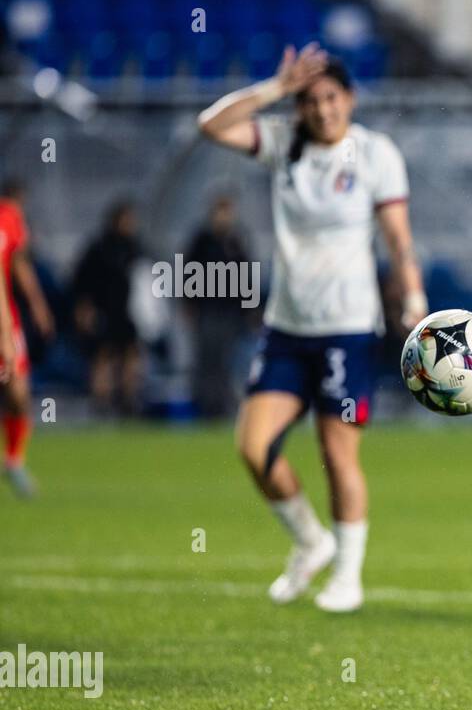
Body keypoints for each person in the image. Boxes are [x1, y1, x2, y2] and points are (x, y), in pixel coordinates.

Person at [196, 44, 427, 613]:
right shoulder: (282, 143)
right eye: (310, 100)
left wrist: (413, 297)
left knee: (338, 454)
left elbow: (398, 237)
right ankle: (310, 541)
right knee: (253, 448)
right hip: (287, 328)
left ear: (348, 98)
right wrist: (275, 88)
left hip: (348, 329)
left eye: (330, 97)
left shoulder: (375, 153)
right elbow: (211, 125)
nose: (323, 110)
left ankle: (348, 575)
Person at [0, 179, 56, 497]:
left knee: (18, 391)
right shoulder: (8, 217)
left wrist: (37, 306)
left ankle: (14, 460)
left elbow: (18, 266)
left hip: (8, 320)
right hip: (5, 323)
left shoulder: (11, 222)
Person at [71, 200, 144, 414]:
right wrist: (84, 310)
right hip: (104, 311)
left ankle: (128, 400)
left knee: (131, 354)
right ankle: (101, 402)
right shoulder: (99, 248)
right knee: (103, 356)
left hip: (128, 312)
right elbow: (82, 282)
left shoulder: (134, 247)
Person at [185, 195, 255, 418]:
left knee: (226, 363)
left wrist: (249, 308)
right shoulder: (202, 241)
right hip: (208, 309)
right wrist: (189, 304)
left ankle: (222, 407)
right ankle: (205, 406)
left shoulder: (236, 241)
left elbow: (246, 277)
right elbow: (188, 273)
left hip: (230, 312)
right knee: (207, 361)